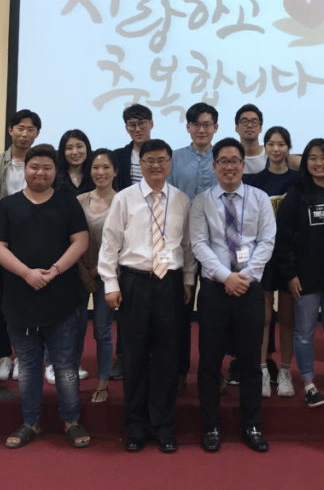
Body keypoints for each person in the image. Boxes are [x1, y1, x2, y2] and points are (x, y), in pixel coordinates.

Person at [0, 143, 91, 449]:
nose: (40, 173)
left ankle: (71, 420)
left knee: (65, 366)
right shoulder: (7, 206)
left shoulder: (67, 203)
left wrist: (55, 270)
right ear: (25, 169)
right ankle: (30, 422)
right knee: (29, 367)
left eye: (47, 167)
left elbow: (81, 241)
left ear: (55, 171)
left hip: (62, 299)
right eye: (34, 167)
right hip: (20, 300)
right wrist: (27, 273)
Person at [97, 139, 195, 453]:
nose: (156, 165)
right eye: (149, 160)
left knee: (167, 357)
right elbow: (110, 243)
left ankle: (163, 426)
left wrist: (188, 280)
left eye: (162, 160)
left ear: (170, 163)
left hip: (170, 283)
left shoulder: (181, 199)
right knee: (135, 356)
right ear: (141, 164)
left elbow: (187, 245)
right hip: (134, 282)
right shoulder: (125, 198)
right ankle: (136, 427)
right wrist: (110, 284)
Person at [190, 138, 275, 453]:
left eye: (234, 161)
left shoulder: (260, 198)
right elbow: (199, 244)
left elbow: (266, 241)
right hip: (214, 289)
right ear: (214, 166)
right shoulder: (202, 201)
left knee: (251, 361)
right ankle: (211, 426)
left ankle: (252, 425)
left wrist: (244, 277)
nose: (229, 166)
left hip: (249, 288)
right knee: (210, 361)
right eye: (223, 161)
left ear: (243, 164)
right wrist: (226, 277)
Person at [274, 138, 324, 408]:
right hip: (304, 278)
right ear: (305, 162)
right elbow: (283, 239)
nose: (319, 163)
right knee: (304, 333)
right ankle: (308, 383)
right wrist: (290, 274)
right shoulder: (296, 194)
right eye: (313, 158)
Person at [0, 108, 43, 383]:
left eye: (31, 129)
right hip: (3, 240)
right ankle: (4, 354)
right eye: (20, 128)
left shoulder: (41, 164)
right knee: (1, 302)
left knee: (31, 301)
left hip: (35, 239)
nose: (25, 134)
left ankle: (24, 356)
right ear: (10, 130)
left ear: (37, 133)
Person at [167, 102, 220, 392]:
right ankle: (178, 372)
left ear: (216, 128)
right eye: (196, 124)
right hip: (181, 245)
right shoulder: (174, 159)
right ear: (188, 127)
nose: (202, 129)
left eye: (207, 124)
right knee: (180, 313)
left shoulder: (223, 158)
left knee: (214, 315)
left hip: (217, 247)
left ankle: (214, 373)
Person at [244, 125, 300, 398]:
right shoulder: (255, 181)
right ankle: (263, 370)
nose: (276, 149)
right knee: (263, 318)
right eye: (272, 144)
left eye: (281, 144)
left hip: (289, 257)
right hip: (262, 258)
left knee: (288, 318)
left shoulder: (299, 180)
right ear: (265, 147)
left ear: (289, 147)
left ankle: (286, 371)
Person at [77, 149, 119, 404]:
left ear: (115, 171)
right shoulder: (79, 200)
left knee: (102, 331)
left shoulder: (123, 201)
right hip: (78, 273)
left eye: (106, 167)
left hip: (108, 275)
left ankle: (103, 381)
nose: (100, 172)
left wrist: (96, 271)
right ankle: (69, 376)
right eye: (95, 167)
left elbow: (122, 243)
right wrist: (83, 271)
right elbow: (70, 238)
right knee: (74, 328)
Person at [112, 104, 155, 190]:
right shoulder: (117, 156)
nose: (137, 129)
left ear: (151, 124)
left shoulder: (163, 154)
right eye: (132, 125)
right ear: (126, 128)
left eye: (142, 123)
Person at [56, 129, 95, 196]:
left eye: (79, 146)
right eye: (69, 148)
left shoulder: (95, 174)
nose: (75, 152)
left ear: (87, 148)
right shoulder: (55, 176)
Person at [234, 103, 267, 174]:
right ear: (236, 128)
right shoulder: (231, 156)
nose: (249, 125)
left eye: (254, 122)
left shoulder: (270, 154)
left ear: (260, 128)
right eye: (244, 122)